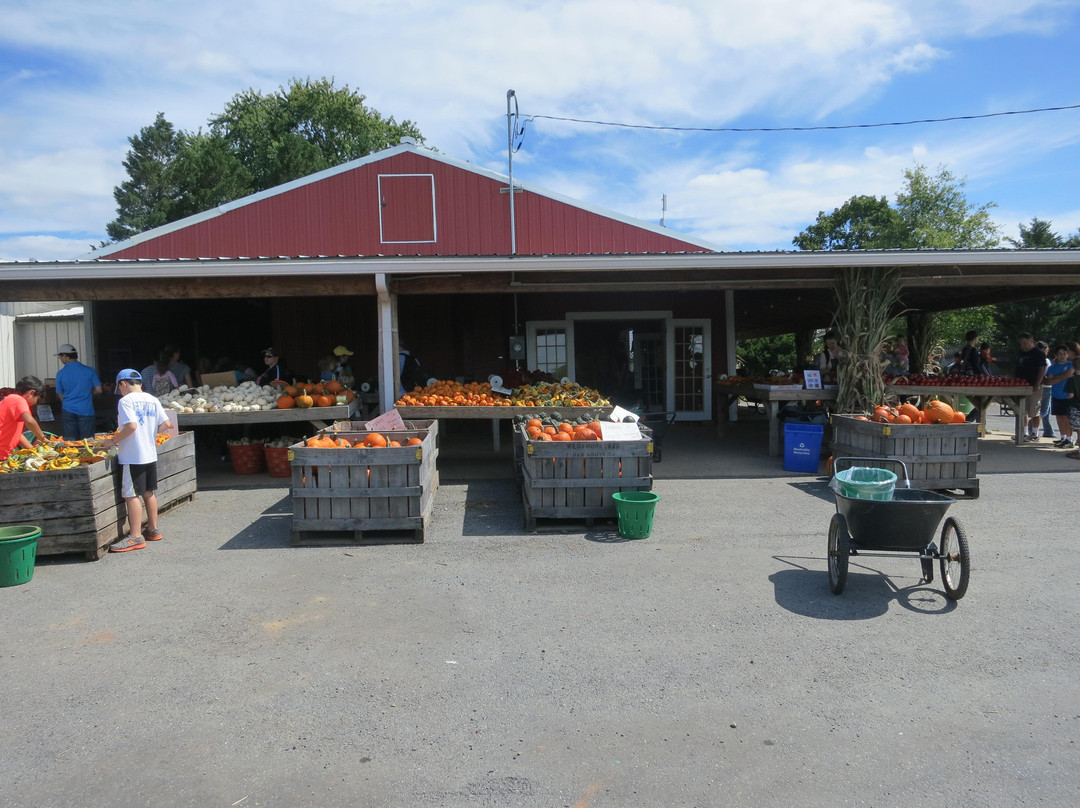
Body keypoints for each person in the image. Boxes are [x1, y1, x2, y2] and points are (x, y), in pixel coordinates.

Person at [100, 369, 171, 552]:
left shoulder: (125, 401)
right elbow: (166, 425)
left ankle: (136, 536)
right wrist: (149, 432)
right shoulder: (153, 399)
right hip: (149, 453)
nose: (120, 392)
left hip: (132, 456)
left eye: (120, 388)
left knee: (131, 495)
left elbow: (131, 426)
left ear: (123, 384)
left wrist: (113, 441)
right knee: (149, 492)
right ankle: (153, 529)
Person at [54, 343, 103, 440]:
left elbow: (60, 395)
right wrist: (89, 396)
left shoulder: (60, 373)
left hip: (68, 410)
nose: (60, 359)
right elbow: (99, 390)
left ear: (65, 355)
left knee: (70, 443)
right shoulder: (89, 371)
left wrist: (69, 402)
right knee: (88, 442)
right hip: (86, 410)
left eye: (60, 356)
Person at [0, 376, 48, 461]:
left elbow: (17, 435)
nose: (36, 403)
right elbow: (29, 421)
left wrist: (32, 450)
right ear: (31, 393)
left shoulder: (12, 402)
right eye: (37, 399)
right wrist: (43, 438)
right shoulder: (18, 399)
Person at [1014, 333, 1048, 441]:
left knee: (1034, 410)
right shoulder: (1021, 353)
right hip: (1021, 385)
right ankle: (1023, 433)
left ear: (1031, 341)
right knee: (1022, 410)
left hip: (1034, 384)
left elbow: (1042, 369)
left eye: (1025, 343)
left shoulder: (1038, 353)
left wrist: (1037, 384)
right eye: (1022, 344)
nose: (1023, 346)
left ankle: (1034, 433)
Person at [1045, 344, 1075, 449]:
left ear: (1067, 355)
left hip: (1067, 395)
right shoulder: (1052, 367)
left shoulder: (1071, 365)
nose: (1062, 356)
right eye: (1060, 354)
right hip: (1056, 395)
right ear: (1056, 355)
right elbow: (1049, 380)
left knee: (1067, 418)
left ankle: (1069, 439)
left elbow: (1069, 374)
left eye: (1064, 353)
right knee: (1059, 417)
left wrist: (1056, 378)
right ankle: (1062, 437)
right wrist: (1063, 376)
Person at [1036, 340, 1055, 439]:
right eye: (1047, 350)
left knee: (1047, 410)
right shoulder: (1045, 360)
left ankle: (1048, 431)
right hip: (1046, 387)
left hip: (1041, 386)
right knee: (1043, 410)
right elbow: (1048, 375)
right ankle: (1032, 426)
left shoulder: (1035, 359)